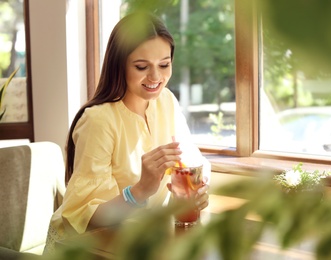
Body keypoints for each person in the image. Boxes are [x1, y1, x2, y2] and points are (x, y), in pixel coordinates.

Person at [44, 11, 210, 254]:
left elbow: (190, 161)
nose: (156, 77)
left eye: (164, 65)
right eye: (142, 66)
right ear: (119, 65)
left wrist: (197, 190)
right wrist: (141, 190)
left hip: (135, 243)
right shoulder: (99, 121)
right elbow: (83, 217)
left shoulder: (166, 102)